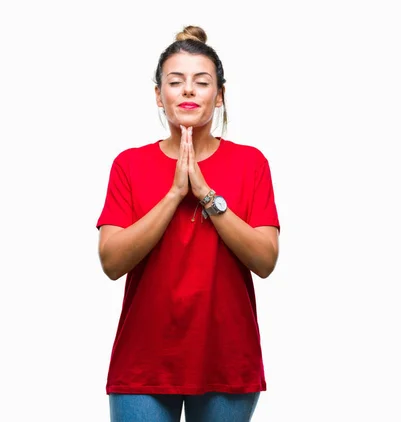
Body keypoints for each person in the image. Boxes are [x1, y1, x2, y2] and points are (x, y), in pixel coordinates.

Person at [96, 25, 280, 422]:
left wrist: (208, 196)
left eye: (201, 82)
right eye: (175, 82)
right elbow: (111, 263)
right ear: (159, 96)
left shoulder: (251, 164)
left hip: (227, 360)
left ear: (220, 95)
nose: (188, 91)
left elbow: (265, 261)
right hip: (143, 362)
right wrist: (175, 193)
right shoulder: (129, 164)